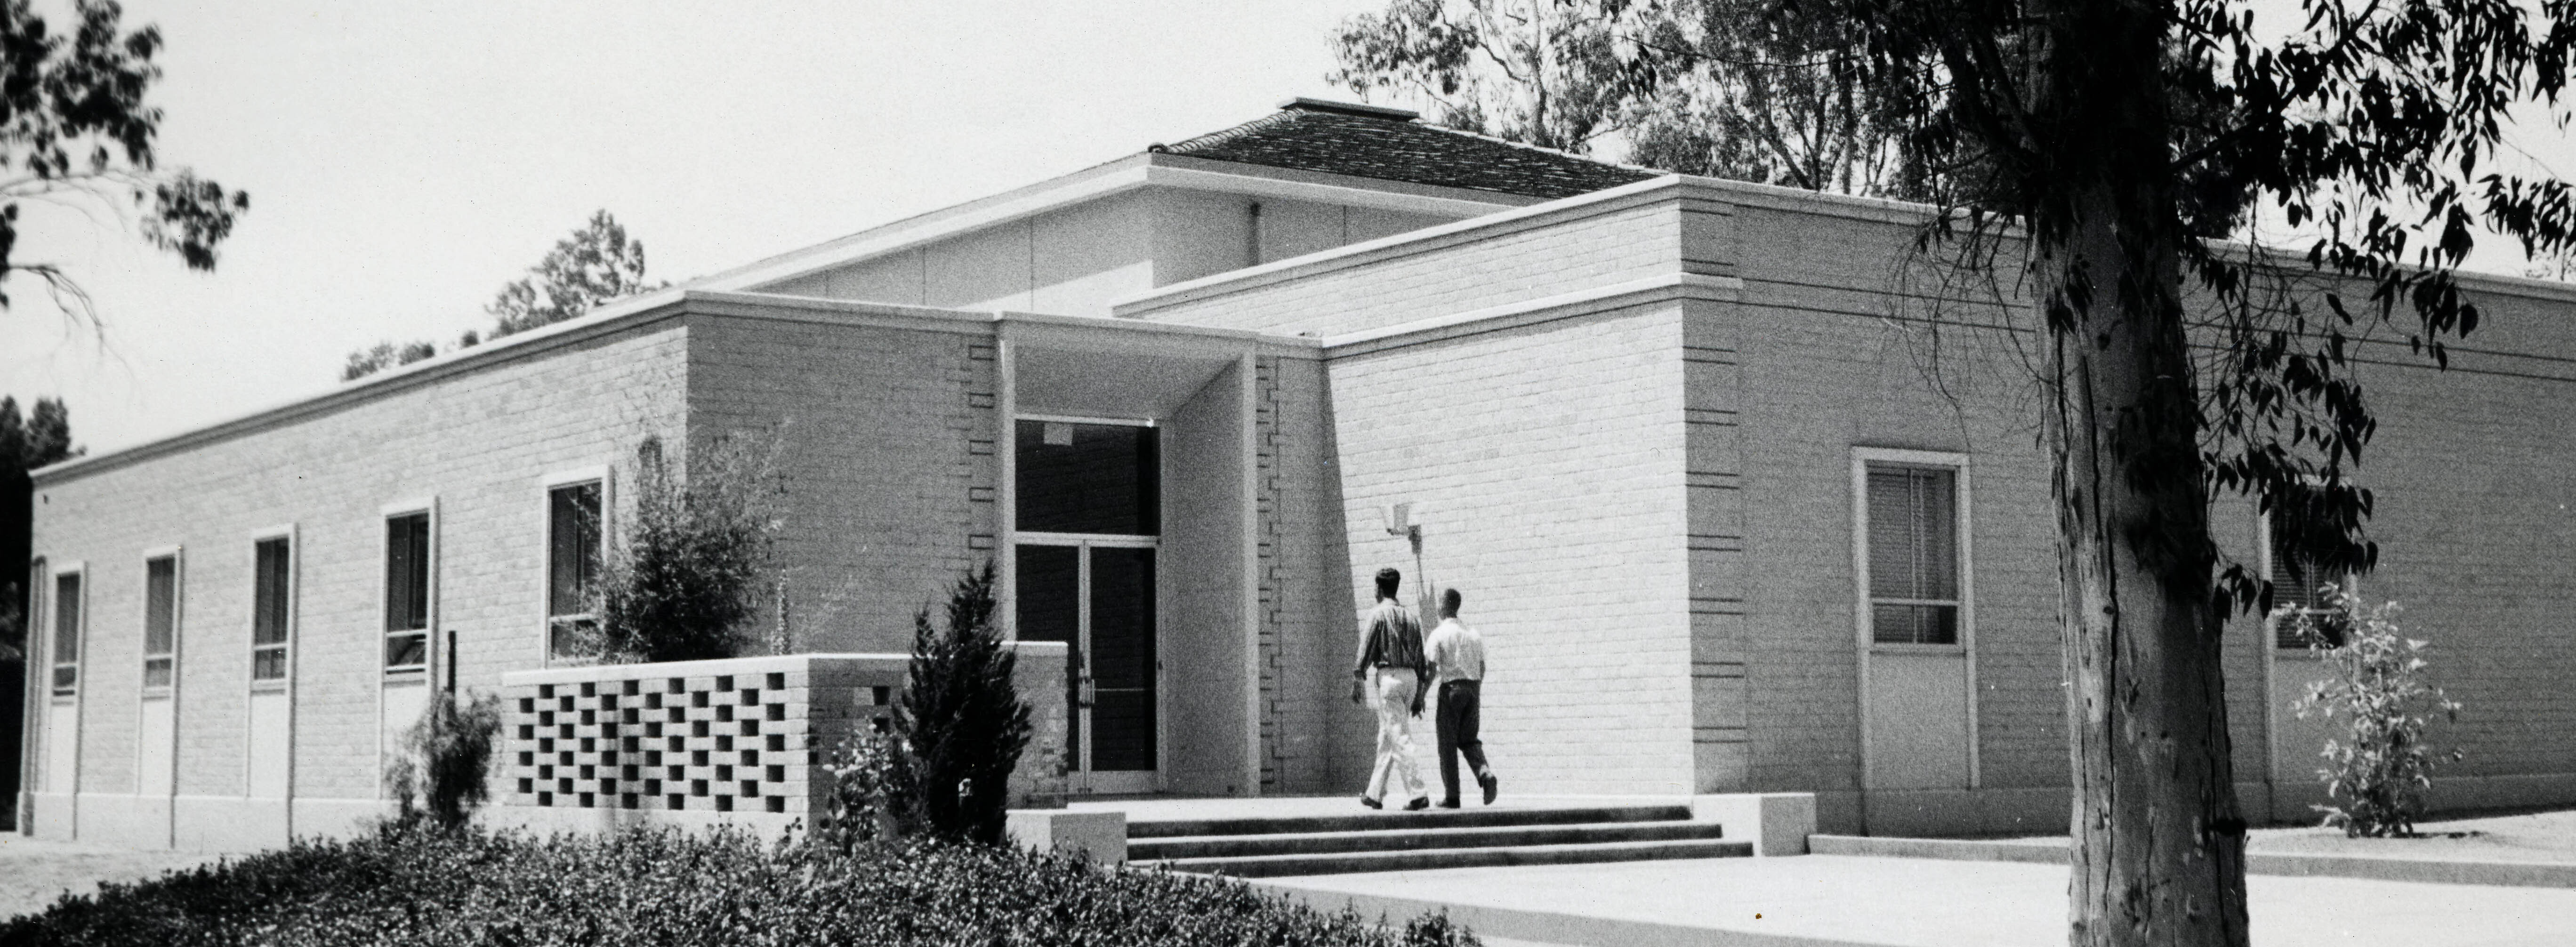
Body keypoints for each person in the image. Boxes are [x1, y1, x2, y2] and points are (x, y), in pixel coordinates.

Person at [1351, 566, 1432, 810]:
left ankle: (1418, 792)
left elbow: (1366, 649)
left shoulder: (1378, 615)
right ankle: (1375, 794)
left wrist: (1358, 677)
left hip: (1390, 678)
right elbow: (1421, 658)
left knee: (1399, 735)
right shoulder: (1411, 616)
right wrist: (1419, 694)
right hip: (1411, 679)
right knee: (1388, 736)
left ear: (1379, 588)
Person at [1425, 587, 1498, 807]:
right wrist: (1473, 689)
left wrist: (1420, 695)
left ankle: (1452, 796)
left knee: (1447, 744)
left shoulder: (1439, 633)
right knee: (1469, 740)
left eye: (1439, 602)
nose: (1437, 607)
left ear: (1445, 605)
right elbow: (1482, 667)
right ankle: (1484, 773)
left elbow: (1430, 669)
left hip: (1451, 691)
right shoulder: (1473, 633)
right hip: (1473, 690)